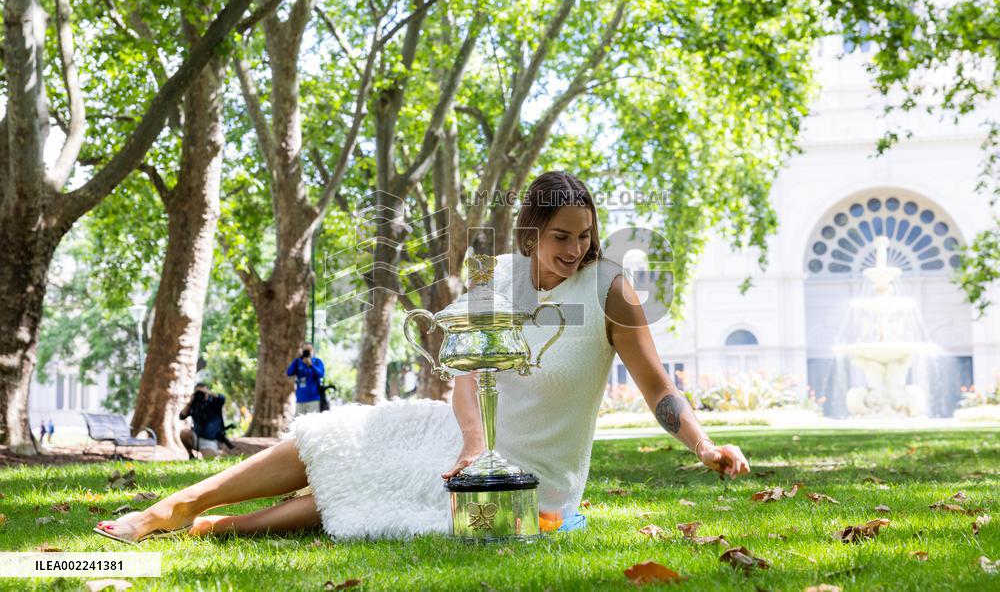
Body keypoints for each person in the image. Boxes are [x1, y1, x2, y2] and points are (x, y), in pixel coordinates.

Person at [94, 171, 750, 543]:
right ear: (530, 233)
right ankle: (175, 508)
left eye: (584, 236)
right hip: (461, 439)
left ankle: (216, 527)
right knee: (341, 437)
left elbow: (656, 386)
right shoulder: (499, 285)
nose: (575, 249)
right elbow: (467, 380)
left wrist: (703, 446)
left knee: (367, 491)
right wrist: (469, 444)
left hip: (535, 479)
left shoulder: (611, 291)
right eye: (560, 237)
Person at [179, 383, 232, 460]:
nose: (200, 394)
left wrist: (207, 392)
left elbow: (222, 398)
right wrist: (191, 401)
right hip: (196, 438)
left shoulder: (214, 403)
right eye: (198, 392)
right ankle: (191, 456)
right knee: (184, 433)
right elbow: (181, 416)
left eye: (202, 392)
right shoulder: (194, 404)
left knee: (209, 459)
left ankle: (218, 453)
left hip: (210, 440)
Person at [286, 344, 325, 415]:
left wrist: (311, 365)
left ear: (313, 351)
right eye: (305, 350)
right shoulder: (298, 362)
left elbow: (321, 374)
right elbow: (289, 372)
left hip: (313, 399)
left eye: (309, 350)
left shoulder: (317, 361)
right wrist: (297, 359)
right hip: (300, 399)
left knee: (312, 423)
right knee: (299, 424)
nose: (307, 352)